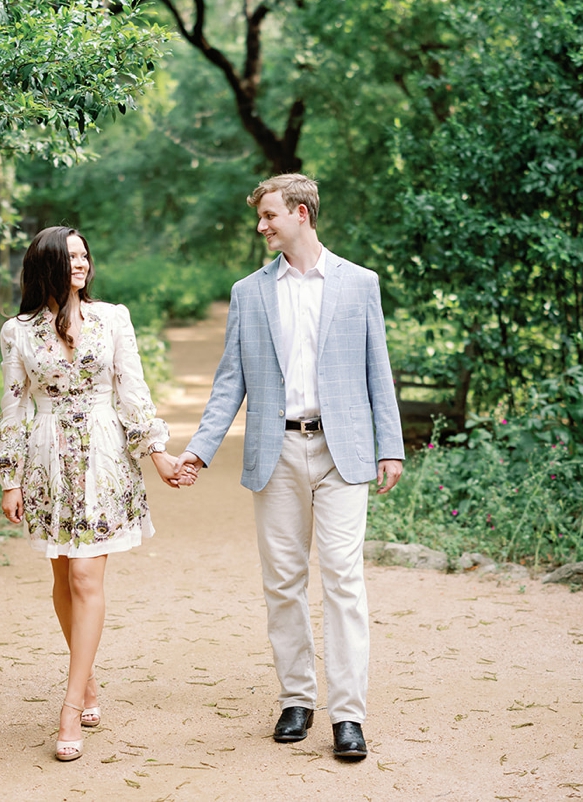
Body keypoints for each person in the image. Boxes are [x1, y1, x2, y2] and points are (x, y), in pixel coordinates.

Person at [177, 174, 404, 761]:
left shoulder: (360, 284)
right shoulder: (249, 292)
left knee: (344, 581)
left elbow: (378, 367)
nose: (262, 226)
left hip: (342, 451)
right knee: (282, 582)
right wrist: (199, 450)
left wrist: (390, 445)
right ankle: (297, 699)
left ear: (300, 213)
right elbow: (231, 380)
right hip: (274, 453)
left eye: (270, 216)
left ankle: (348, 715)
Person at [0, 226, 181, 763]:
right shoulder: (17, 332)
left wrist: (158, 453)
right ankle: (88, 677)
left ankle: (70, 705)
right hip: (48, 462)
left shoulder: (112, 318)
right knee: (59, 576)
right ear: (46, 265)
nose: (81, 264)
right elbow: (15, 407)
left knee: (84, 575)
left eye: (84, 255)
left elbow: (131, 389)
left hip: (103, 457)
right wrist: (10, 476)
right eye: (69, 257)